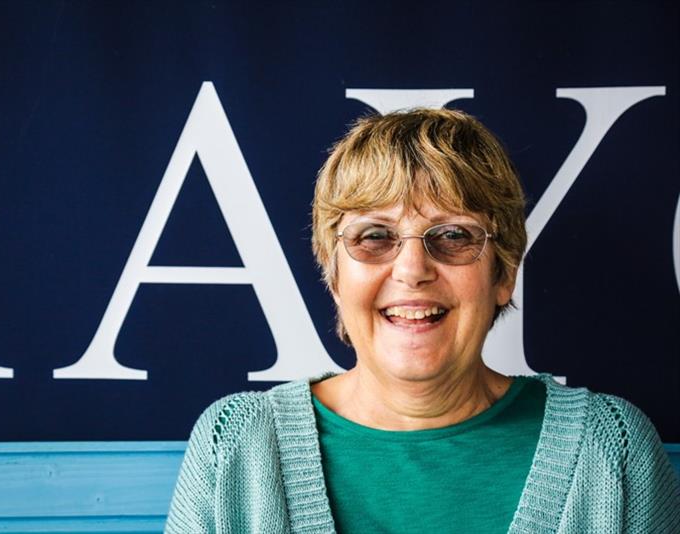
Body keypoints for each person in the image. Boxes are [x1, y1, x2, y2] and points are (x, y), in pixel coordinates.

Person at [165, 109, 680, 533]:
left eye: (454, 236)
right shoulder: (235, 448)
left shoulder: (612, 450)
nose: (412, 271)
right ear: (333, 273)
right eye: (374, 236)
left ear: (503, 273)